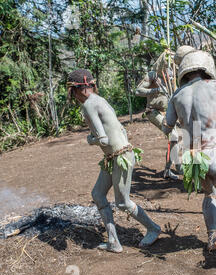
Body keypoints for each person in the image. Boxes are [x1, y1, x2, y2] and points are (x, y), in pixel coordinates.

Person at [162, 50, 216, 265]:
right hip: (214, 153)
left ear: (185, 72)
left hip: (193, 159)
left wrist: (174, 108)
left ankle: (211, 238)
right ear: (206, 68)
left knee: (209, 196)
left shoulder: (176, 95)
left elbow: (166, 128)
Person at [67, 68, 161, 253]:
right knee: (98, 194)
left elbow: (103, 139)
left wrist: (90, 140)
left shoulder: (88, 105)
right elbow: (121, 129)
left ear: (79, 88)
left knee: (122, 202)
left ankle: (153, 228)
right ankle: (113, 241)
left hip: (120, 157)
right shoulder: (100, 100)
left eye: (72, 91)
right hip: (115, 157)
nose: (72, 96)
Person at [135, 46, 196, 180]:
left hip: (170, 112)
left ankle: (178, 167)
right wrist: (154, 90)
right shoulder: (153, 75)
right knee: (173, 136)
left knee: (178, 139)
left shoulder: (175, 74)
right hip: (154, 111)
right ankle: (168, 170)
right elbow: (138, 91)